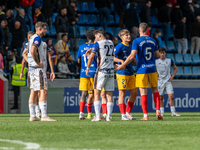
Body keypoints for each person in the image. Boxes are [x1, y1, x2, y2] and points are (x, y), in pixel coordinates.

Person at [117, 22, 163, 121]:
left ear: (139, 30)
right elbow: (158, 55)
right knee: (155, 90)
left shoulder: (136, 41)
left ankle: (145, 115)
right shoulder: (153, 40)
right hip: (152, 68)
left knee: (143, 92)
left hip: (142, 69)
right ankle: (158, 111)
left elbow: (132, 56)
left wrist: (123, 65)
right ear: (147, 30)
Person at [27, 21, 56, 121]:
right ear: (39, 29)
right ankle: (44, 115)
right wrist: (38, 62)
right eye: (44, 28)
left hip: (31, 69)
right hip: (38, 69)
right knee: (43, 90)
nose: (46, 31)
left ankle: (32, 115)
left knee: (33, 91)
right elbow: (32, 51)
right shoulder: (37, 38)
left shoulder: (31, 40)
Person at [86, 29, 115, 122]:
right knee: (109, 95)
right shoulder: (111, 42)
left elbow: (91, 57)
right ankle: (108, 117)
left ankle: (98, 116)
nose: (95, 39)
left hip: (101, 71)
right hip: (111, 71)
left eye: (95, 37)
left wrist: (87, 68)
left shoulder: (98, 44)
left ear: (99, 36)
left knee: (96, 93)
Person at [114, 29, 137, 120]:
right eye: (126, 35)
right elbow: (112, 57)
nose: (128, 36)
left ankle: (128, 112)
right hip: (122, 73)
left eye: (129, 34)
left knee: (134, 93)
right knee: (122, 93)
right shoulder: (119, 46)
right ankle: (123, 115)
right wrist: (121, 61)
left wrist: (135, 61)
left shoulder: (131, 47)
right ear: (121, 37)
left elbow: (134, 61)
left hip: (131, 72)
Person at [77, 29, 97, 120]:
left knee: (83, 93)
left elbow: (78, 60)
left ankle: (81, 113)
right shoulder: (96, 46)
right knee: (93, 94)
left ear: (87, 37)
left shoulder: (81, 46)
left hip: (84, 73)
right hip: (94, 73)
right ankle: (92, 113)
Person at [21, 31, 41, 118]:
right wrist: (22, 71)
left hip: (38, 68)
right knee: (35, 91)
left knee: (39, 91)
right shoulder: (28, 44)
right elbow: (24, 59)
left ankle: (38, 111)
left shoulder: (36, 43)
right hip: (33, 69)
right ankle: (37, 111)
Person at [156, 47, 180, 117]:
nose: (162, 54)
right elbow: (152, 70)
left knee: (171, 96)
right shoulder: (156, 61)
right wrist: (155, 76)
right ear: (159, 54)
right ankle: (162, 112)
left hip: (168, 81)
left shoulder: (170, 60)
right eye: (161, 53)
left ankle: (173, 112)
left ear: (165, 53)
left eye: (163, 53)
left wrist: (172, 77)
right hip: (160, 81)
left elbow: (176, 68)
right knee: (160, 97)